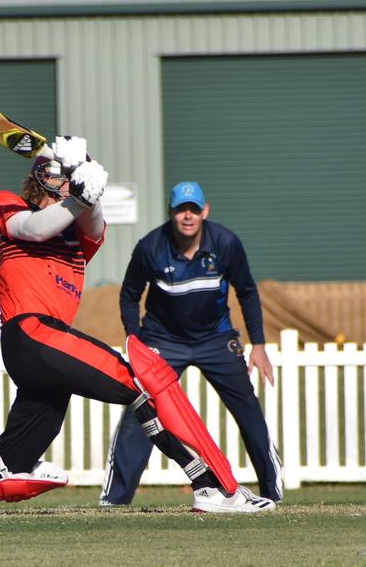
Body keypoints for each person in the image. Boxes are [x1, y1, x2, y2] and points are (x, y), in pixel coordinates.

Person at [0, 139, 275, 516]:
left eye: (70, 174)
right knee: (144, 385)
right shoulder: (3, 205)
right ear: (39, 176)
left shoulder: (81, 234)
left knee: (12, 462)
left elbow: (91, 221)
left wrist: (87, 187)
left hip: (43, 348)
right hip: (31, 332)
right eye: (58, 172)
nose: (65, 180)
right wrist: (78, 194)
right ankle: (211, 485)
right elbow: (34, 228)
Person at [100, 181, 282, 507]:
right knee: (142, 412)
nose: (188, 216)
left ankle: (273, 494)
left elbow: (247, 292)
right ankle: (114, 501)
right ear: (171, 213)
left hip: (216, 338)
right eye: (182, 210)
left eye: (194, 210)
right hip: (163, 341)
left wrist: (258, 344)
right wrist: (135, 342)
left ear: (205, 212)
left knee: (248, 410)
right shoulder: (150, 247)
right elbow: (129, 295)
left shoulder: (225, 243)